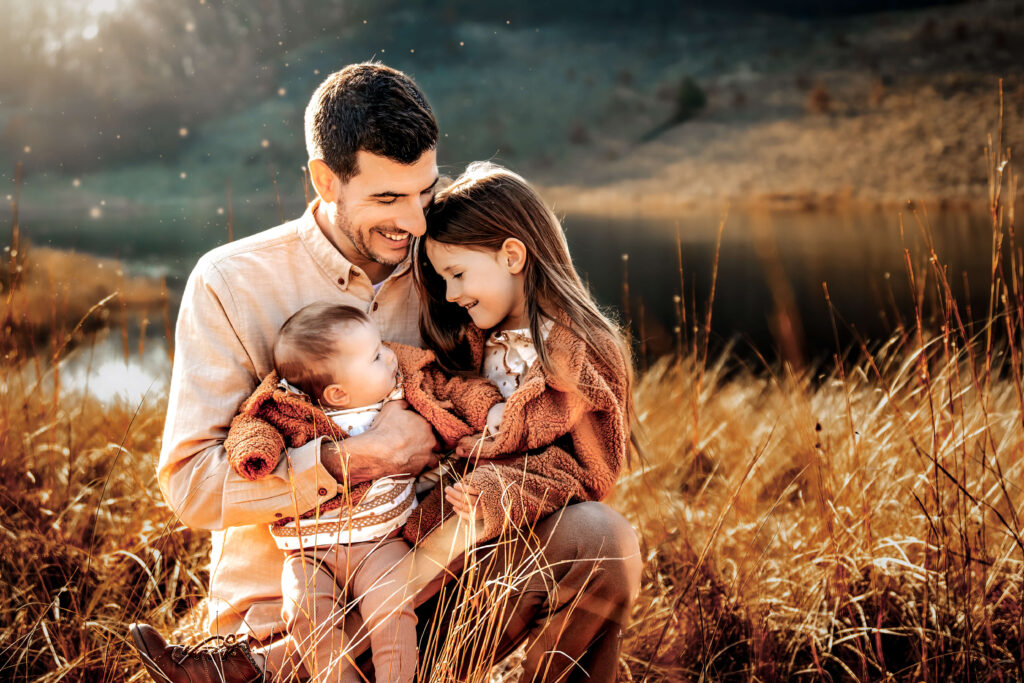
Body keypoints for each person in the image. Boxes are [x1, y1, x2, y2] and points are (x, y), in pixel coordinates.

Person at [128, 61, 642, 683]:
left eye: (424, 192)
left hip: (424, 587)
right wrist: (357, 459)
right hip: (289, 604)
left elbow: (518, 393)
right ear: (325, 180)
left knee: (601, 542)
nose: (417, 222)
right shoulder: (230, 283)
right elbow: (190, 486)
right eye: (389, 199)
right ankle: (262, 666)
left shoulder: (444, 275)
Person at [392, 162, 635, 607]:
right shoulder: (472, 340)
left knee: (605, 544)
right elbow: (450, 398)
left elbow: (588, 472)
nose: (449, 294)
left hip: (513, 534)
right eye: (442, 279)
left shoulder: (581, 353)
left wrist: (501, 491)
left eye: (457, 274)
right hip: (437, 517)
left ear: (512, 256)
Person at [223, 301, 504, 683]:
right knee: (307, 617)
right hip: (308, 552)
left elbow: (455, 389)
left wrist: (488, 410)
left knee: (391, 611)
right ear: (337, 394)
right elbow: (249, 426)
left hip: (381, 541)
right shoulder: (287, 408)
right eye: (375, 356)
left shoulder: (403, 388)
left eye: (382, 347)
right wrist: (256, 454)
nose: (389, 355)